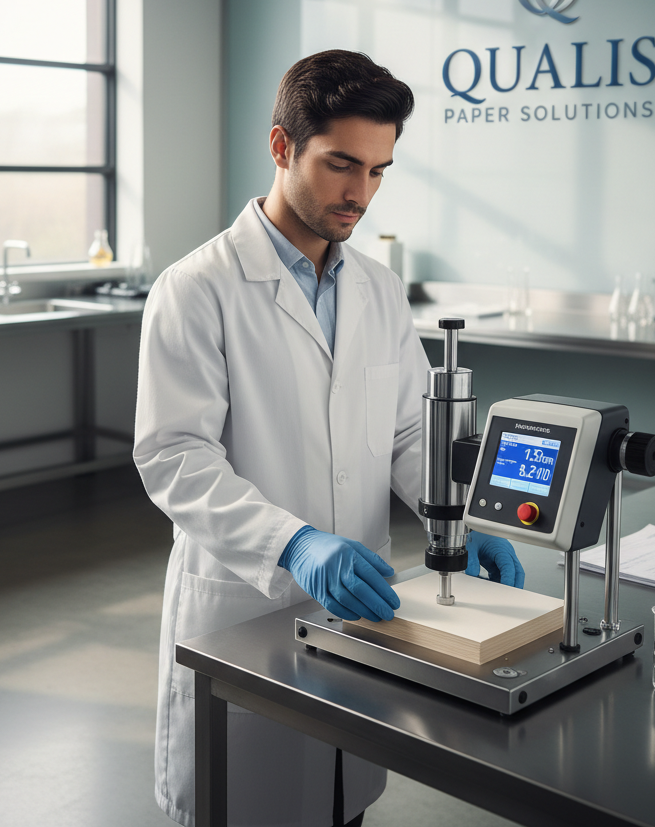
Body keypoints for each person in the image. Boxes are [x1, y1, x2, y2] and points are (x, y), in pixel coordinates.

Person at [134, 50, 524, 827]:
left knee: (340, 803)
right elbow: (174, 456)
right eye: (342, 165)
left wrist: (459, 517)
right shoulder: (197, 288)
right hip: (245, 604)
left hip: (362, 613)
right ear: (282, 147)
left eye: (379, 170)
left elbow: (410, 425)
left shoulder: (377, 288)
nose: (361, 193)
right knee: (249, 800)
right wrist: (294, 544)